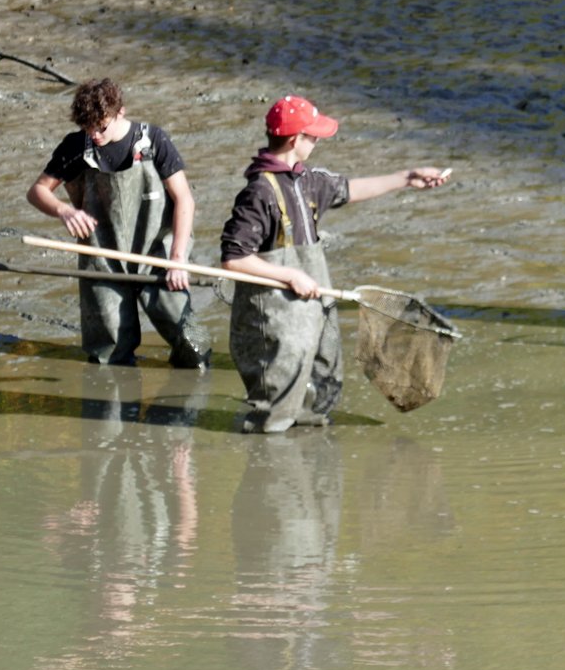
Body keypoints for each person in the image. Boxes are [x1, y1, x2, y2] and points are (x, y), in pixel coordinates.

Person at [220, 95, 449, 434]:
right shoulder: (259, 193)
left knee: (322, 383)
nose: (317, 142)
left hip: (313, 309)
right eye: (313, 137)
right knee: (275, 407)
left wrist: (407, 177)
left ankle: (311, 460)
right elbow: (234, 259)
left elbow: (350, 188)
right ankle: (267, 465)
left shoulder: (307, 180)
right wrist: (289, 275)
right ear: (296, 140)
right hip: (275, 322)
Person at [26, 78, 212, 368]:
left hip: (156, 255)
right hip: (102, 258)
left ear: (120, 112)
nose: (95, 135)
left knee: (192, 342)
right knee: (109, 355)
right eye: (88, 128)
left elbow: (185, 199)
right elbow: (37, 192)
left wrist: (178, 260)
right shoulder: (76, 146)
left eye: (101, 126)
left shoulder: (153, 141)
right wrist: (64, 211)